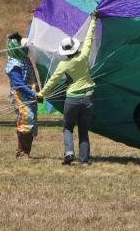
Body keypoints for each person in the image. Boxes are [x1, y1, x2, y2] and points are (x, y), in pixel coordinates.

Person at [37, 12, 99, 165]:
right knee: (83, 131)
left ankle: (69, 153)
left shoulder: (63, 65)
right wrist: (93, 21)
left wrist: (41, 94)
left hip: (72, 99)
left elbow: (52, 81)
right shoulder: (83, 56)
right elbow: (89, 39)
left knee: (67, 127)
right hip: (88, 98)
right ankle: (84, 161)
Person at [5, 34, 39, 158]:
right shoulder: (14, 64)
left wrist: (38, 90)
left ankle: (27, 151)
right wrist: (33, 93)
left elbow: (32, 76)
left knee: (31, 123)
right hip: (21, 97)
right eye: (24, 48)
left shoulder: (24, 59)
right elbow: (18, 84)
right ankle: (21, 152)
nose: (27, 50)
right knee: (25, 122)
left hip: (30, 96)